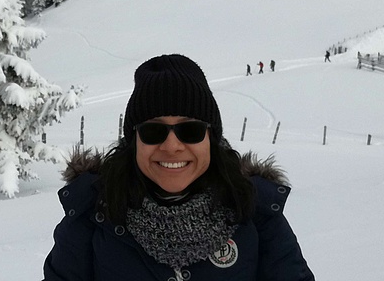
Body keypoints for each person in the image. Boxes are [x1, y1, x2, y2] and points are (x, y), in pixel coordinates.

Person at [43, 54, 314, 281]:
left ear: (211, 138)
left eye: (191, 129)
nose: (172, 146)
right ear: (134, 141)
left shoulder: (256, 212)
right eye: (153, 131)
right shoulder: (92, 215)